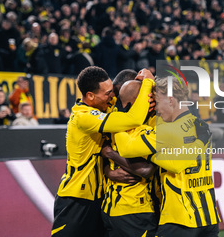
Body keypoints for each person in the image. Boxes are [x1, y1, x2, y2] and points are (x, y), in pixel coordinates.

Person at [51, 66, 154, 237]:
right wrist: (149, 82)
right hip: (76, 198)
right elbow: (133, 118)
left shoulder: (104, 105)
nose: (112, 96)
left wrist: (107, 171)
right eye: (107, 93)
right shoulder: (83, 117)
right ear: (90, 96)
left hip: (99, 198)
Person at [111, 76, 220, 237]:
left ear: (171, 100)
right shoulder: (201, 125)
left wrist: (118, 117)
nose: (157, 110)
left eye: (158, 102)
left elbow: (126, 148)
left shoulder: (168, 131)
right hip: (208, 216)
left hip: (180, 218)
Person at [101, 80, 158, 237]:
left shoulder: (111, 124)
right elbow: (146, 170)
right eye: (149, 96)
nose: (152, 99)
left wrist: (109, 162)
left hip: (110, 208)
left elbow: (103, 153)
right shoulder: (144, 131)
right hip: (135, 210)